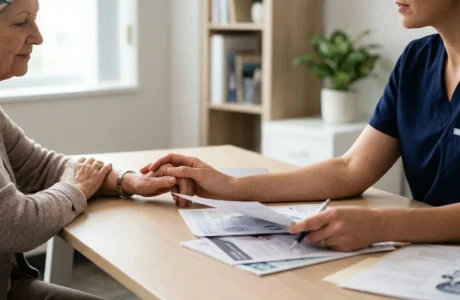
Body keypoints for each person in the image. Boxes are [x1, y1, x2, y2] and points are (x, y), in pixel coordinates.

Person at [0, 0, 192, 299]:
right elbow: (14, 226)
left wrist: (127, 181)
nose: (37, 36)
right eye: (21, 22)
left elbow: (39, 167)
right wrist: (75, 188)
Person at [143, 0, 460, 252]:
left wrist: (383, 225)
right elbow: (352, 168)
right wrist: (231, 187)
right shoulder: (416, 60)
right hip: (430, 255)